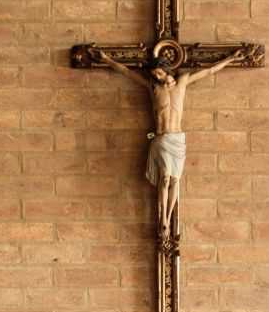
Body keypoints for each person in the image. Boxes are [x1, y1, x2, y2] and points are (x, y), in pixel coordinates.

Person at [91, 46, 247, 235]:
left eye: (158, 72)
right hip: (162, 138)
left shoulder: (183, 81)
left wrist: (231, 58)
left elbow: (209, 71)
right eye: (154, 74)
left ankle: (168, 215)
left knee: (175, 180)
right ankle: (163, 218)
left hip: (178, 139)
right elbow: (127, 72)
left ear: (165, 69)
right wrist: (107, 59)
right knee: (164, 178)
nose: (156, 76)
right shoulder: (153, 87)